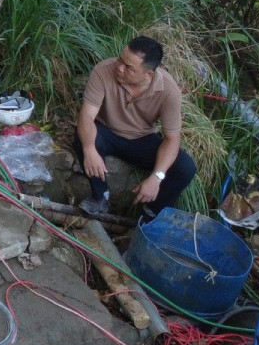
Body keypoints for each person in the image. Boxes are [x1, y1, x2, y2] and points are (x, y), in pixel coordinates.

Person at [76, 36, 197, 220]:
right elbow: (87, 116)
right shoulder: (103, 71)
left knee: (185, 167)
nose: (119, 67)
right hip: (106, 131)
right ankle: (100, 197)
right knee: (82, 138)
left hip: (142, 138)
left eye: (129, 67)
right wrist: (89, 149)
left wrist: (157, 177)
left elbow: (172, 138)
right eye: (120, 59)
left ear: (148, 74)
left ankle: (152, 215)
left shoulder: (168, 90)